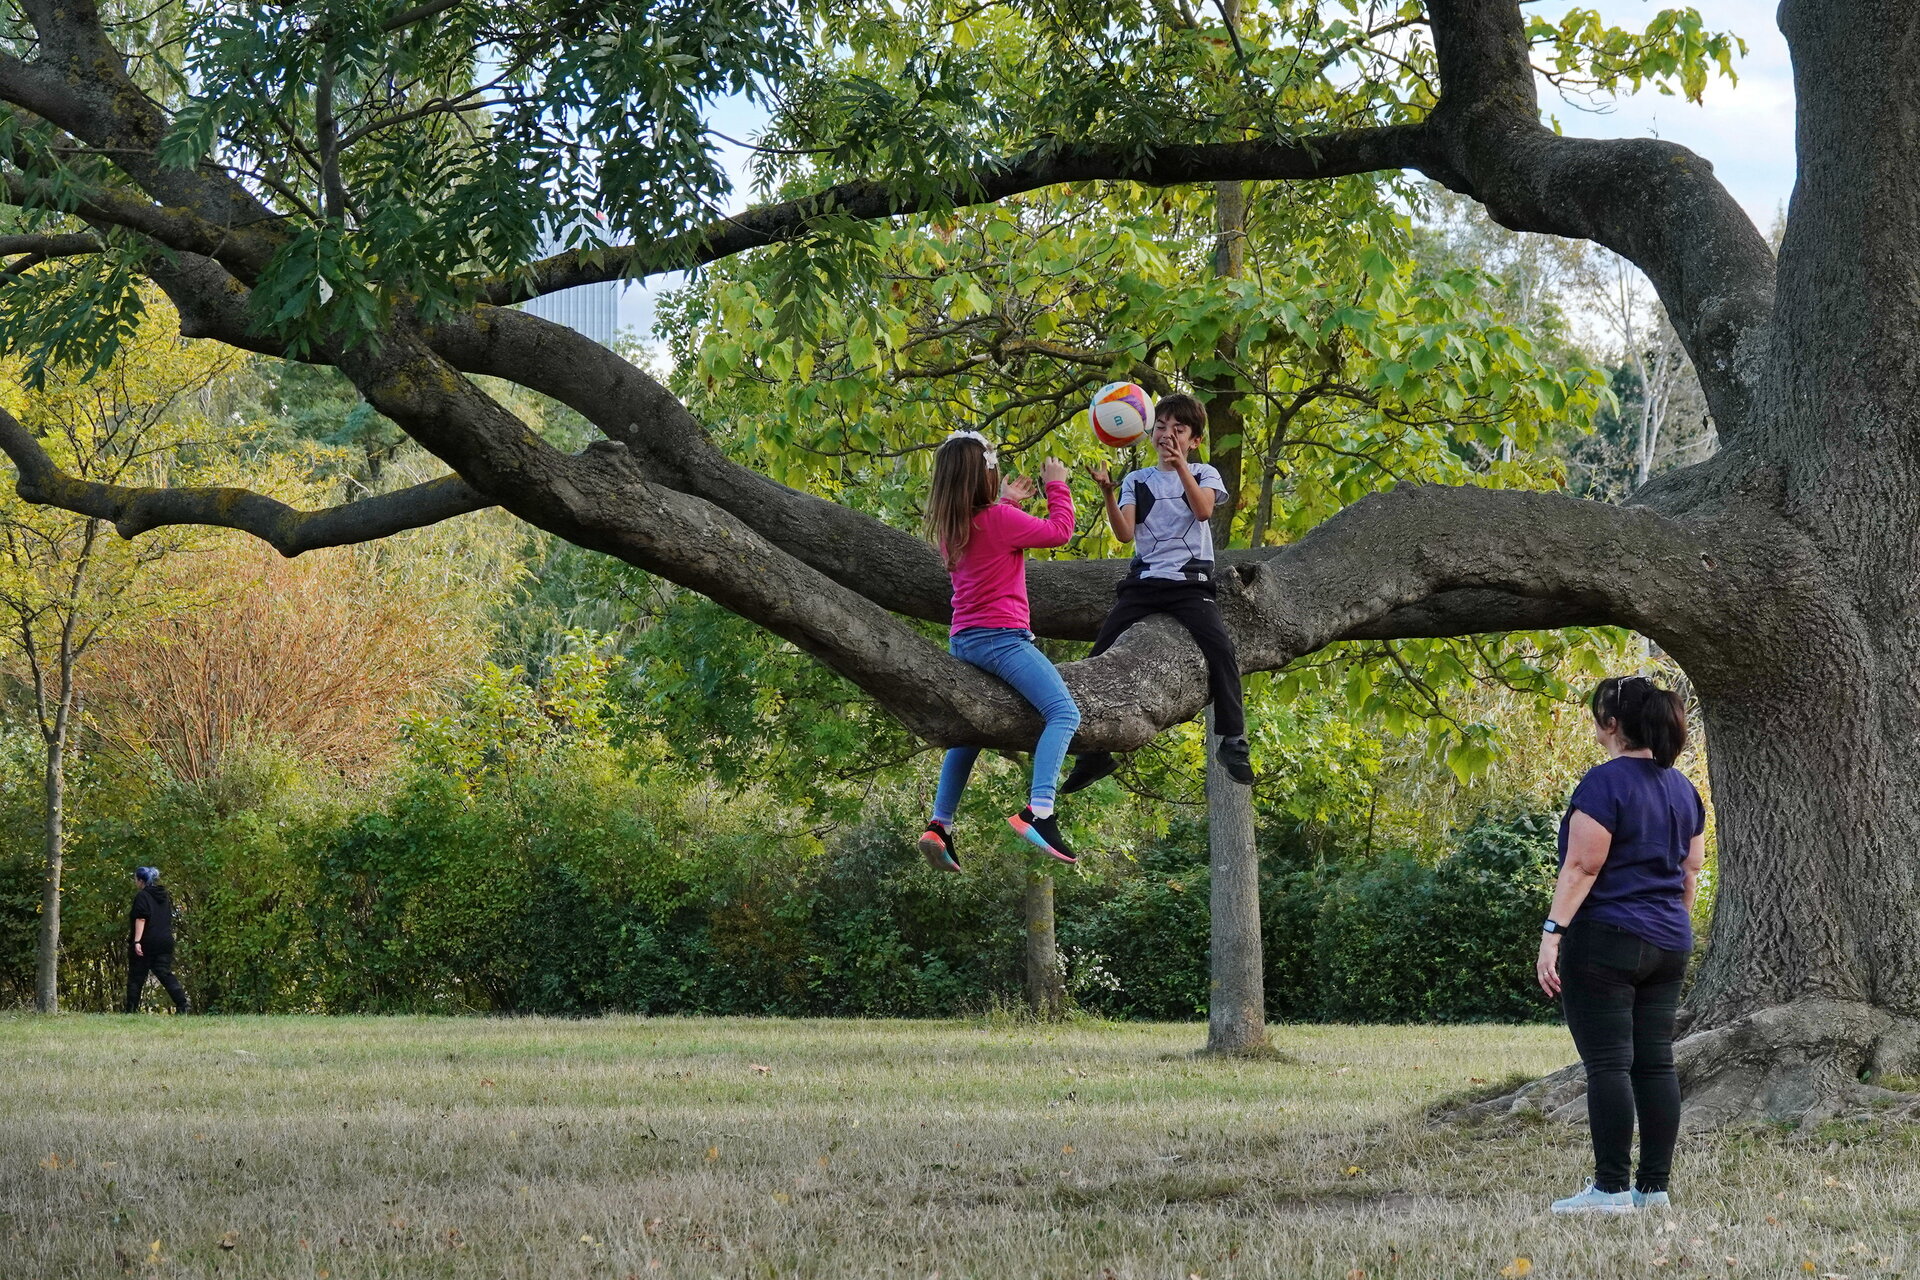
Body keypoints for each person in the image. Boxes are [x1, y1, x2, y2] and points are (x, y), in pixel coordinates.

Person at [1537, 675, 1705, 1215]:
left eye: (1594, 716)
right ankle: (1653, 1189)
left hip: (1606, 938)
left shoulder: (1604, 784)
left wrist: (1552, 933)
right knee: (1654, 1064)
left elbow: (1583, 864)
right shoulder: (1682, 788)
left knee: (1608, 1064)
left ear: (1611, 724)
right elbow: (1691, 870)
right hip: (1669, 941)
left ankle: (1609, 1190)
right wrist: (1671, 928)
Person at [1060, 393, 1253, 793]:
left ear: (1194, 440)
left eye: (1178, 430)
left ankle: (1233, 741)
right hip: (1145, 584)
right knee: (1100, 653)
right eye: (1161, 427)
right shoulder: (1137, 481)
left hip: (1190, 585)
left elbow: (1202, 511)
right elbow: (1124, 533)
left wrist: (1181, 466)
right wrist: (1109, 494)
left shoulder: (1204, 473)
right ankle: (1092, 754)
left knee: (1221, 649)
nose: (1167, 435)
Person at [917, 430, 1081, 870]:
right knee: (1064, 713)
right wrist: (1056, 484)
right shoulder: (1000, 521)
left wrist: (1007, 502)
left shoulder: (953, 528)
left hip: (963, 640)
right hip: (1001, 640)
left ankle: (940, 823)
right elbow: (1060, 532)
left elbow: (991, 532)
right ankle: (1039, 811)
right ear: (985, 476)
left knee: (969, 732)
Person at [126, 866, 190, 1014]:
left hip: (146, 941)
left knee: (136, 977)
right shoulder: (164, 896)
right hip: (165, 941)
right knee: (165, 973)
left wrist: (136, 941)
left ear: (141, 881)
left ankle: (131, 1010)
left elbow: (141, 918)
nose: (135, 882)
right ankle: (182, 1004)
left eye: (135, 879)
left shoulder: (142, 896)